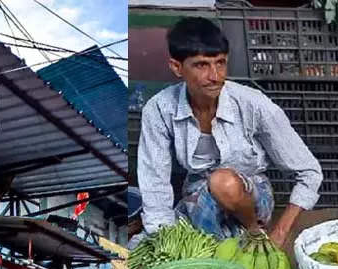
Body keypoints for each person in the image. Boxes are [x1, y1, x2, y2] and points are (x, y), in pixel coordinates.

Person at [137, 17, 323, 247]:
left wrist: (280, 232)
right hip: (198, 195)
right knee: (196, 247)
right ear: (177, 67)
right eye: (201, 65)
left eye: (220, 62)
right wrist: (164, 241)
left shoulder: (253, 104)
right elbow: (154, 182)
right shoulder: (159, 110)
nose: (215, 76)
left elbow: (310, 172)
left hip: (251, 196)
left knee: (223, 182)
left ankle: (255, 231)